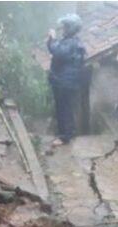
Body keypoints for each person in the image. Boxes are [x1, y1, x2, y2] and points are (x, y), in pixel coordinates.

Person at [47, 13, 86, 146]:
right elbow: (55, 49)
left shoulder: (71, 43)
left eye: (64, 27)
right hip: (64, 82)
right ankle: (67, 133)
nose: (62, 29)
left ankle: (65, 137)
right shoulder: (70, 42)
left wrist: (52, 39)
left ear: (70, 28)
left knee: (64, 109)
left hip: (65, 83)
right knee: (64, 108)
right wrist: (51, 41)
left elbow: (57, 52)